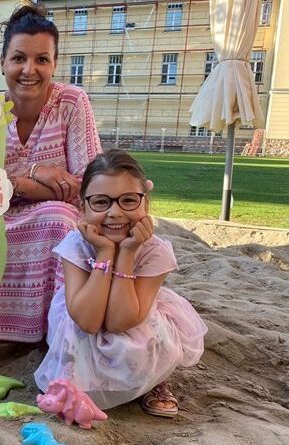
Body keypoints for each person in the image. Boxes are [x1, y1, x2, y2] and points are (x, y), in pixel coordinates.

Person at [0, 4, 103, 343]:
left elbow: (90, 184)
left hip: (56, 222)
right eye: (19, 58)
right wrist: (33, 174)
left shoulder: (71, 102)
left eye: (42, 59)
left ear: (54, 64)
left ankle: (58, 332)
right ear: (2, 63)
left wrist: (10, 184)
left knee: (60, 221)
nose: (29, 69)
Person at [34, 149, 207, 417]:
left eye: (128, 200)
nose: (115, 212)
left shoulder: (155, 250)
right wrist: (104, 253)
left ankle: (152, 380)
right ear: (83, 207)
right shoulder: (76, 245)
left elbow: (120, 321)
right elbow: (88, 321)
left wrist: (127, 253)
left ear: (145, 204)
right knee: (77, 334)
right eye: (101, 202)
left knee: (145, 334)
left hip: (134, 314)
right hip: (85, 313)